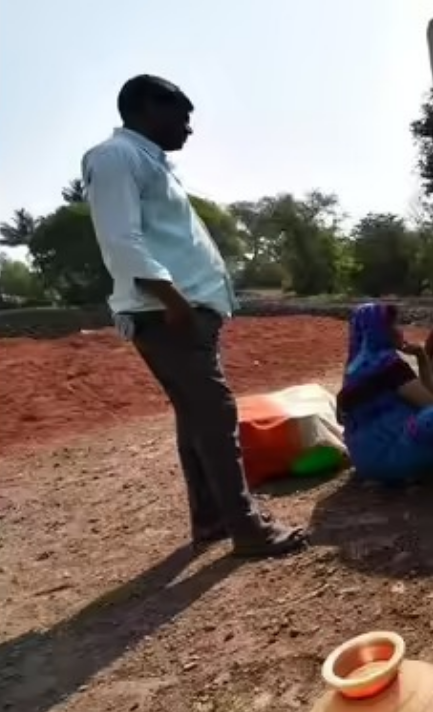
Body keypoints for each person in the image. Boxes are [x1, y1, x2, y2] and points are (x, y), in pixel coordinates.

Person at [82, 74, 305, 557]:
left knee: (197, 418)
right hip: (166, 313)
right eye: (181, 115)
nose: (188, 128)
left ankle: (211, 520)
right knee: (216, 414)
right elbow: (122, 242)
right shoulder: (115, 157)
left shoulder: (150, 164)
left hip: (181, 313)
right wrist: (175, 302)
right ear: (145, 109)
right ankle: (248, 529)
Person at [337, 303, 433, 484]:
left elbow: (340, 417)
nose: (398, 331)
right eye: (392, 325)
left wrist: (421, 357)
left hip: (364, 463)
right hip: (394, 458)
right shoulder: (388, 365)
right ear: (379, 331)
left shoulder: (352, 370)